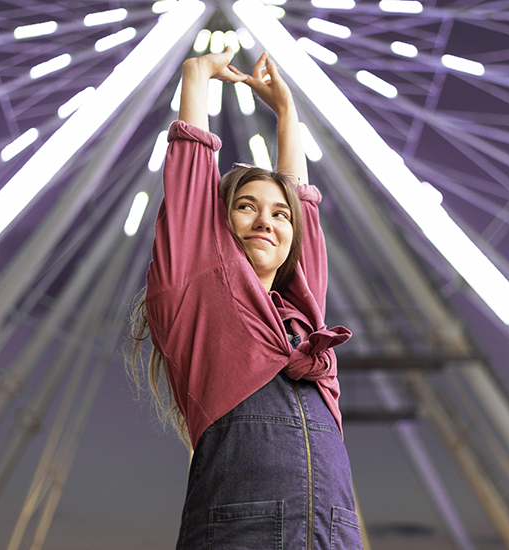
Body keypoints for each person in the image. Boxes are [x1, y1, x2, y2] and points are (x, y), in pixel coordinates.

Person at [128, 46, 363, 550]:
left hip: (333, 531)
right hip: (241, 532)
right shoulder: (196, 302)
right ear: (217, 223)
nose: (266, 221)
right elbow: (190, 195)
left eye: (278, 215)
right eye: (246, 208)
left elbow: (302, 210)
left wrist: (287, 114)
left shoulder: (304, 316)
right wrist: (196, 77)